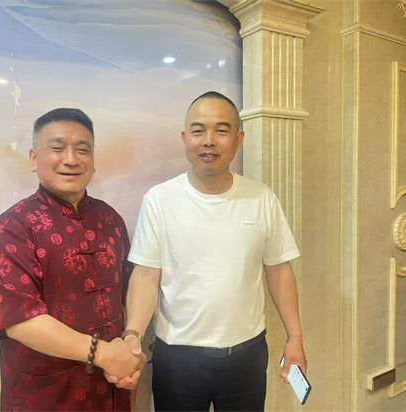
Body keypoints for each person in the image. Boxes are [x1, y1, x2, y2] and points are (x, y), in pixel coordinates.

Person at [119, 91, 307, 411]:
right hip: (177, 357)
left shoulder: (262, 198)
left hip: (246, 356)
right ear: (185, 138)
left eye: (221, 130)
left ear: (238, 139)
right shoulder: (159, 200)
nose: (209, 141)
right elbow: (147, 274)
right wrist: (133, 334)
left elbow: (279, 270)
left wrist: (295, 338)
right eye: (198, 131)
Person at [0, 108, 145, 412]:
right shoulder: (13, 227)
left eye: (83, 149)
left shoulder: (110, 219)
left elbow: (131, 287)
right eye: (57, 148)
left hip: (110, 388)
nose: (71, 159)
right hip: (45, 393)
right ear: (34, 159)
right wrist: (105, 355)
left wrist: (130, 346)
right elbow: (19, 320)